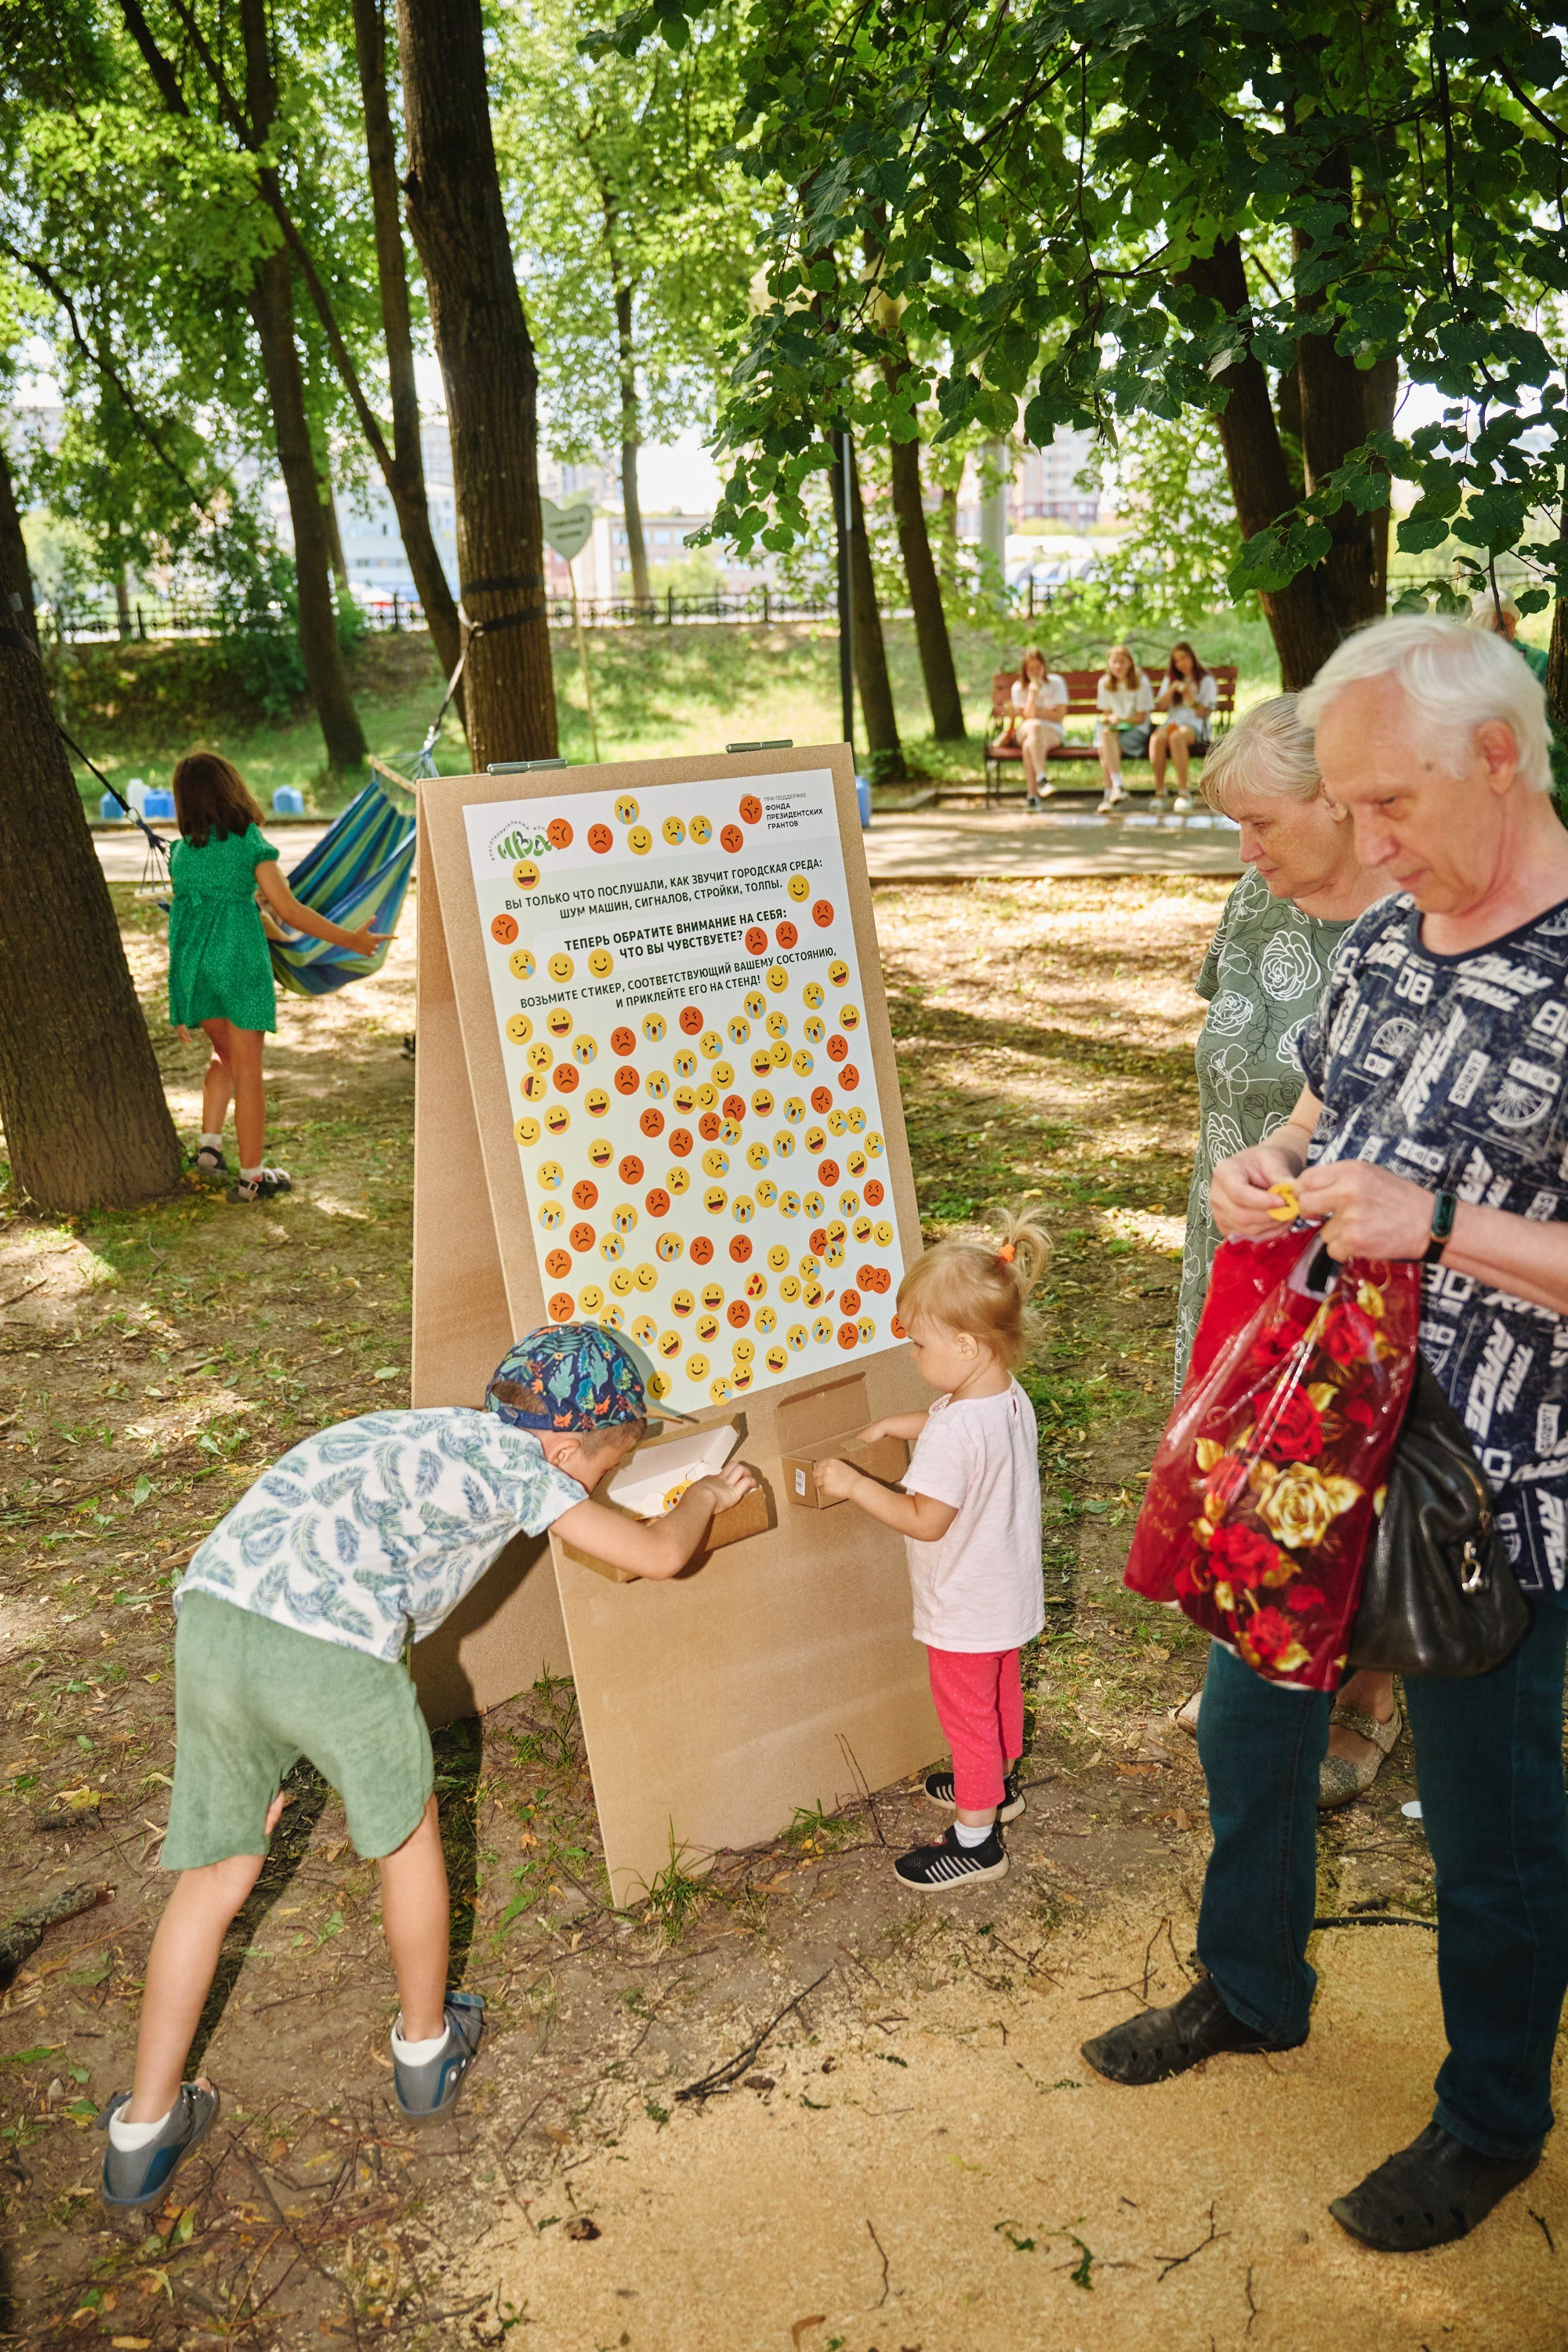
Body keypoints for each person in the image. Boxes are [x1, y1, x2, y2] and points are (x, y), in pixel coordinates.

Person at [1083, 615, 1568, 2257]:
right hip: (1311, 1432)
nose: (1367, 845)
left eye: (1391, 807)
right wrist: (1262, 1170)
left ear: (1495, 757)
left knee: (1488, 1821)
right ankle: (1249, 1985)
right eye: (1349, 812)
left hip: (1494, 1484)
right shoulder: (1387, 937)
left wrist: (1439, 1226)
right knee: (1248, 1727)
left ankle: (1492, 2115)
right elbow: (1316, 1116)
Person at [97, 1324, 757, 2211]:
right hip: (332, 1653)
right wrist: (706, 1495)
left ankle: (142, 2129)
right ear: (564, 1448)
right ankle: (424, 2048)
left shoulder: (423, 1431)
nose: (602, 1482)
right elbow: (659, 1553)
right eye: (605, 1465)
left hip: (215, 1620)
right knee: (409, 1846)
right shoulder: (529, 1469)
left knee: (216, 1874)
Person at [1171, 695, 1399, 1803]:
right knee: (1263, 1454)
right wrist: (1256, 1159)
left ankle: (1370, 1685)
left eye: (1263, 822)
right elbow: (1275, 1081)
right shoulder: (1266, 901)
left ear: (1344, 802)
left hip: (1383, 1260)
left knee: (1378, 1471)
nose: (1245, 851)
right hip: (1258, 1227)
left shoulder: (1436, 926)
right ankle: (1266, 1663)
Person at [814, 1213, 1050, 1889]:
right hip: (1005, 1594)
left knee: (968, 1718)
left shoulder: (954, 1432)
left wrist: (855, 1484)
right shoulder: (1005, 1397)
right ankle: (996, 1789)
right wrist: (904, 1421)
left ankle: (977, 1842)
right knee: (1000, 1693)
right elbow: (959, 1426)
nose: (912, 1357)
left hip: (964, 1607)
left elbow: (923, 1520)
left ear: (969, 1346)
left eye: (919, 1345)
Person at [168, 752, 389, 1204]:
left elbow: (190, 923)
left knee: (223, 1057)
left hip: (199, 972)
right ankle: (252, 1178)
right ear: (232, 790)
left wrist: (178, 996)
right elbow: (287, 909)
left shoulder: (181, 855)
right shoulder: (249, 845)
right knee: (249, 1072)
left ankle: (209, 1148)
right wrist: (350, 940)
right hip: (240, 970)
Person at [995, 648, 1068, 811]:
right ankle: (1041, 777)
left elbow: (1060, 716)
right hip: (1027, 729)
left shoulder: (1056, 683)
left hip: (1051, 731)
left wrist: (1036, 712)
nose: (1035, 673)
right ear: (1025, 670)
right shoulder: (1018, 688)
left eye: (1038, 668)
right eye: (1031, 669)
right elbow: (1027, 717)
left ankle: (1032, 797)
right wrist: (1033, 695)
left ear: (1044, 667)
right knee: (1033, 726)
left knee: (1029, 745)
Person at [1150, 641, 1218, 810]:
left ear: (1192, 657)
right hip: (1173, 723)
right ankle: (1160, 791)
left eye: (1184, 658)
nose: (1181, 663)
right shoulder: (1171, 680)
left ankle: (1183, 792)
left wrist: (1191, 700)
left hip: (1195, 725)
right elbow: (1161, 706)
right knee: (1157, 738)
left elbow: (1204, 713)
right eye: (1177, 661)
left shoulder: (1205, 681)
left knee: (1177, 738)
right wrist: (1172, 690)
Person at [1093, 644, 1155, 814]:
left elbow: (1141, 718)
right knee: (1105, 738)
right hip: (1113, 732)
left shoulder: (1141, 682)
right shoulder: (1104, 683)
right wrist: (1111, 721)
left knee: (1105, 746)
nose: (1118, 666)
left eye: (1122, 662)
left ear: (1130, 663)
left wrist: (1119, 719)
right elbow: (1106, 715)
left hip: (1136, 731)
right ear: (1109, 664)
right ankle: (1116, 788)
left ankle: (1109, 793)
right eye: (1114, 662)